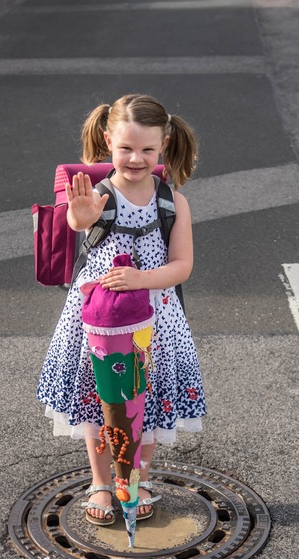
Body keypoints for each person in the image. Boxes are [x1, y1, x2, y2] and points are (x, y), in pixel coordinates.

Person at [37, 93, 207, 526]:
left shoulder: (173, 202)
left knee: (143, 404)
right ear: (108, 139)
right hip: (96, 320)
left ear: (164, 145)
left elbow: (182, 266)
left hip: (155, 320)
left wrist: (141, 280)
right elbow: (79, 222)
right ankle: (100, 480)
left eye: (148, 149)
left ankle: (138, 478)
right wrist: (80, 216)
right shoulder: (98, 195)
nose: (136, 158)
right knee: (99, 403)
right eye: (126, 148)